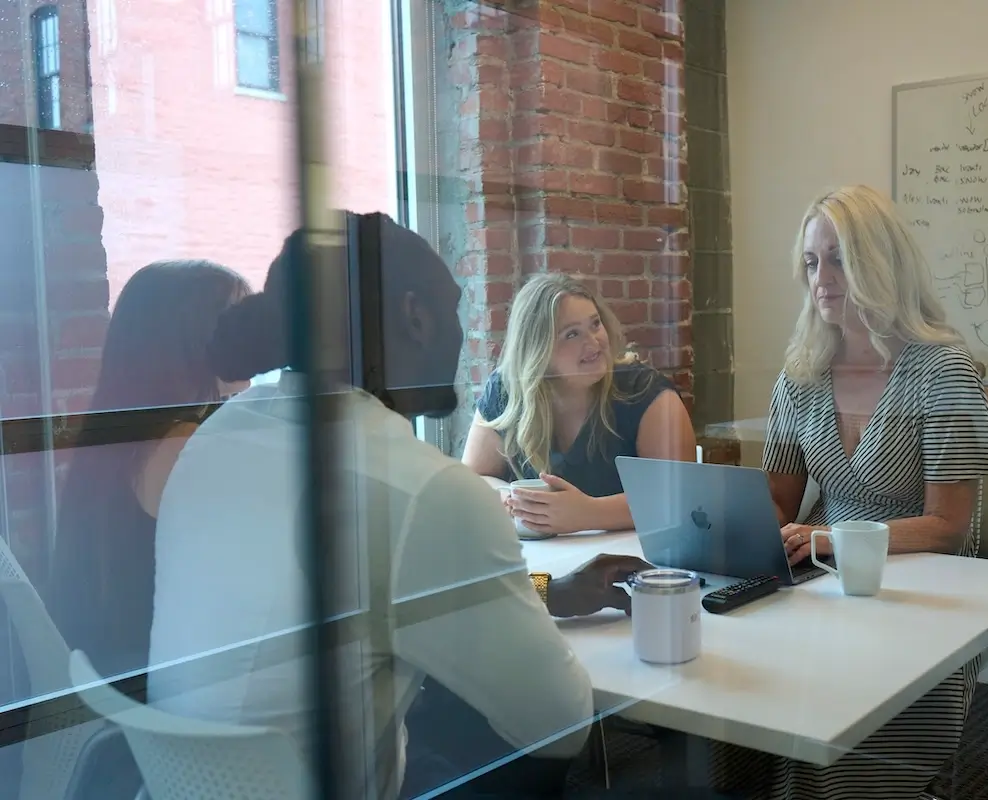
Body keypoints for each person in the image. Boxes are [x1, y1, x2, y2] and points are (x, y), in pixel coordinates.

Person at [146, 213, 652, 800]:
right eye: (456, 308)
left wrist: (544, 591)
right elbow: (559, 726)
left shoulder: (221, 436)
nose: (463, 334)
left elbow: (366, 597)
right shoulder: (415, 487)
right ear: (416, 317)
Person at [710, 185, 988, 800]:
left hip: (920, 591)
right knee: (730, 699)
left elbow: (946, 526)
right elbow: (778, 501)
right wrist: (748, 529)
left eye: (840, 258)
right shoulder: (802, 376)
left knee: (834, 762)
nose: (822, 277)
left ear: (881, 263)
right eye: (813, 262)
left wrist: (826, 538)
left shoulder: (941, 370)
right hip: (820, 585)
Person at [50, 260, 251, 679]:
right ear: (187, 342)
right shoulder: (183, 443)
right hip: (161, 682)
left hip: (107, 666)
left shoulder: (121, 427)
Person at [462, 273, 696, 535]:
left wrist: (588, 513)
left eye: (595, 324)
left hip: (631, 564)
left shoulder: (647, 393)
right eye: (572, 334)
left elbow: (680, 499)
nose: (594, 342)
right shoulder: (506, 390)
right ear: (538, 349)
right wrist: (506, 498)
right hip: (541, 564)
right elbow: (472, 481)